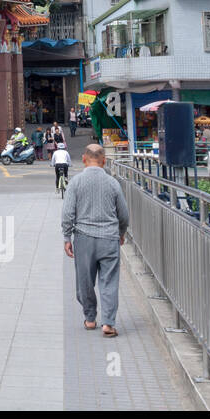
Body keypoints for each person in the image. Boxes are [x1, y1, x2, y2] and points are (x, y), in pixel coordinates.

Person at [62, 144, 130, 336]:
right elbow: (124, 214)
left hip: (84, 239)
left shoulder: (75, 182)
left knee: (85, 281)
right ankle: (108, 323)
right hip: (109, 238)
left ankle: (90, 319)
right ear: (104, 161)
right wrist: (121, 232)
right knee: (109, 282)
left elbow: (67, 213)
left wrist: (67, 236)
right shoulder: (113, 183)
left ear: (84, 159)